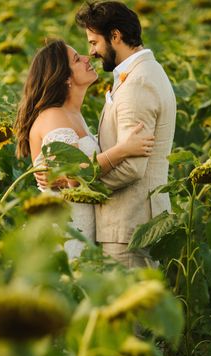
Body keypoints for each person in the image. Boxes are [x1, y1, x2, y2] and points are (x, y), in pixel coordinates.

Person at [14, 39, 155, 259]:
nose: (87, 58)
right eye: (77, 59)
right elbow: (74, 176)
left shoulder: (73, 115)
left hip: (79, 227)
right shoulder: (53, 116)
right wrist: (124, 149)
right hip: (62, 230)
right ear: (65, 78)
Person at [75, 1, 176, 268]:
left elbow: (131, 167)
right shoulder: (142, 73)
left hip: (129, 226)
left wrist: (82, 187)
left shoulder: (137, 84)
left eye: (94, 42)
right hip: (134, 221)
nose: (92, 51)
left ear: (116, 36)